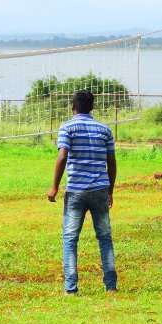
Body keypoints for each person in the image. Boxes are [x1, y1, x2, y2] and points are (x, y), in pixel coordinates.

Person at [47, 89, 117, 294]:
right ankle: (111, 286)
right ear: (92, 107)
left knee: (70, 239)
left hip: (76, 191)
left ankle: (71, 288)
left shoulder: (67, 127)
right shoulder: (105, 130)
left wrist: (54, 187)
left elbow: (62, 156)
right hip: (100, 189)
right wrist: (110, 190)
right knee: (104, 237)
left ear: (73, 106)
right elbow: (111, 162)